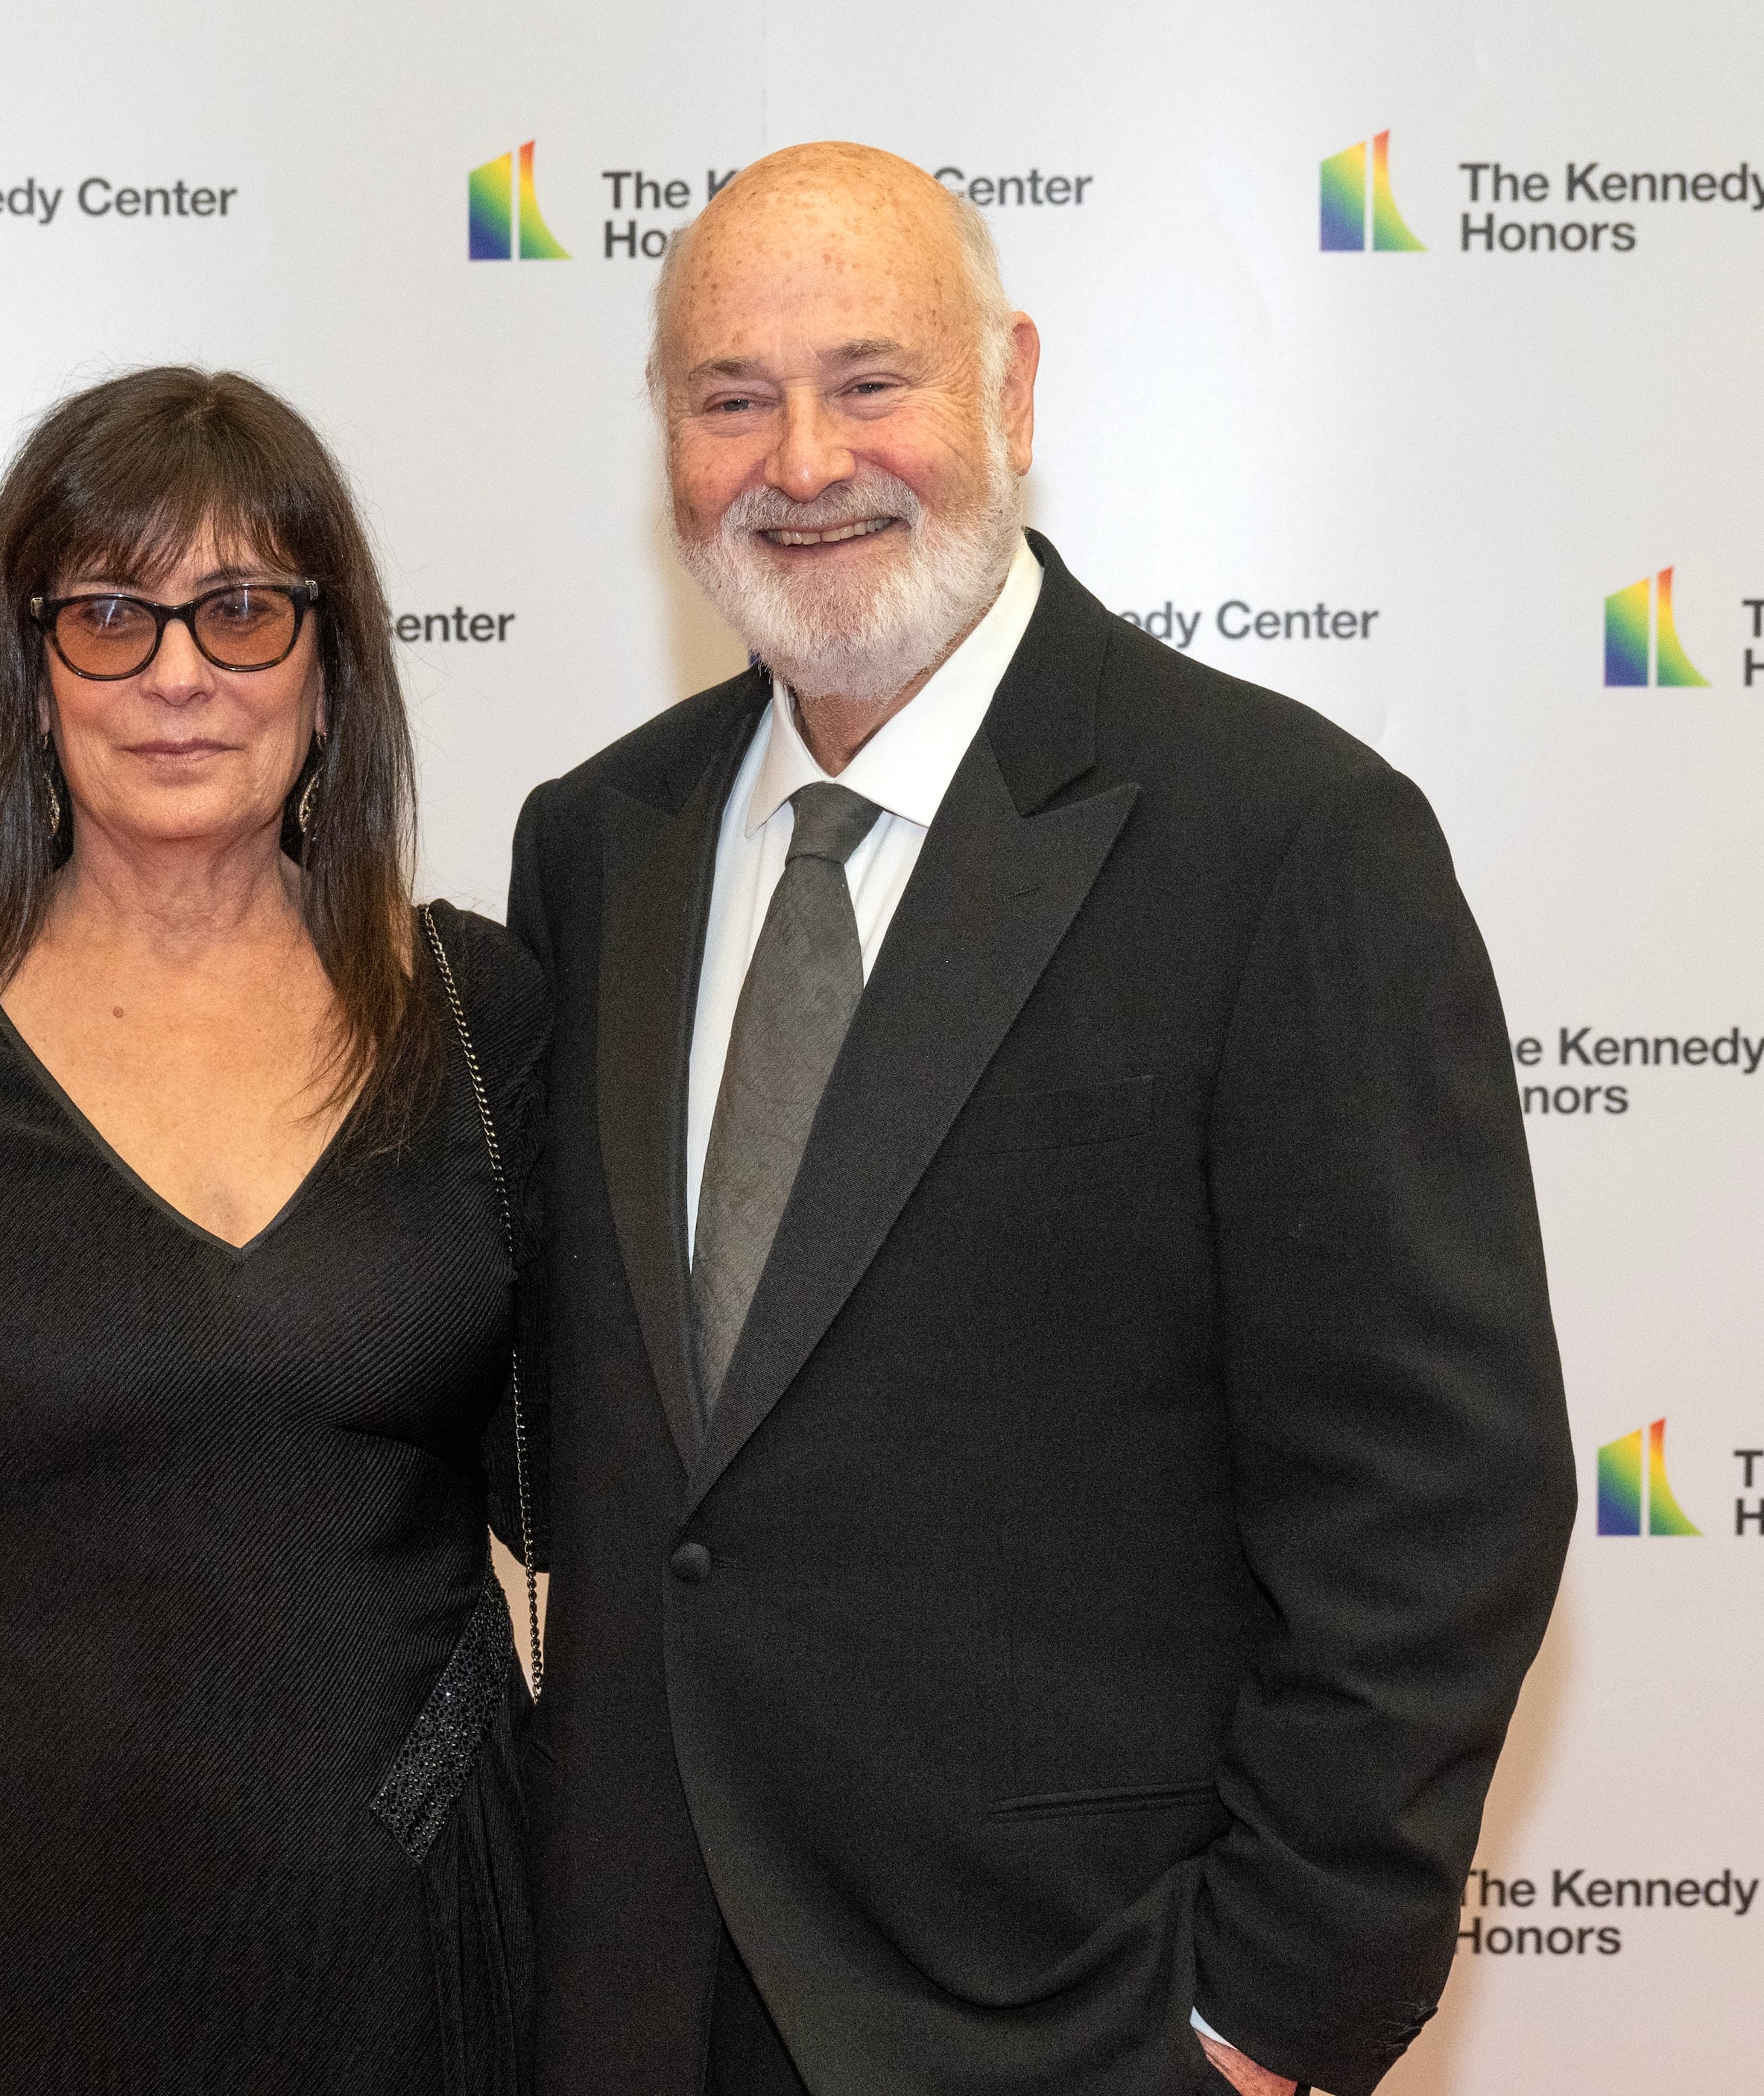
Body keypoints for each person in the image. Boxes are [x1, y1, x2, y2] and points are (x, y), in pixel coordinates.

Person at [505, 144, 1575, 2096]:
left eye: (870, 379)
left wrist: (1264, 2026)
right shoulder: (598, 848)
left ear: (1010, 393)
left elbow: (1440, 1509)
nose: (802, 459)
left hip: (1067, 2028)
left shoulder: (1285, 845)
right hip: (640, 2012)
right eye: (730, 397)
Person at [0, 368, 543, 2095]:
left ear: (330, 667)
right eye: (112, 613)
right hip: (13, 1963)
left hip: (417, 1955)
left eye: (241, 608)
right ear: (30, 670)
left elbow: (598, 1497)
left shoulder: (478, 1011)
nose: (179, 672)